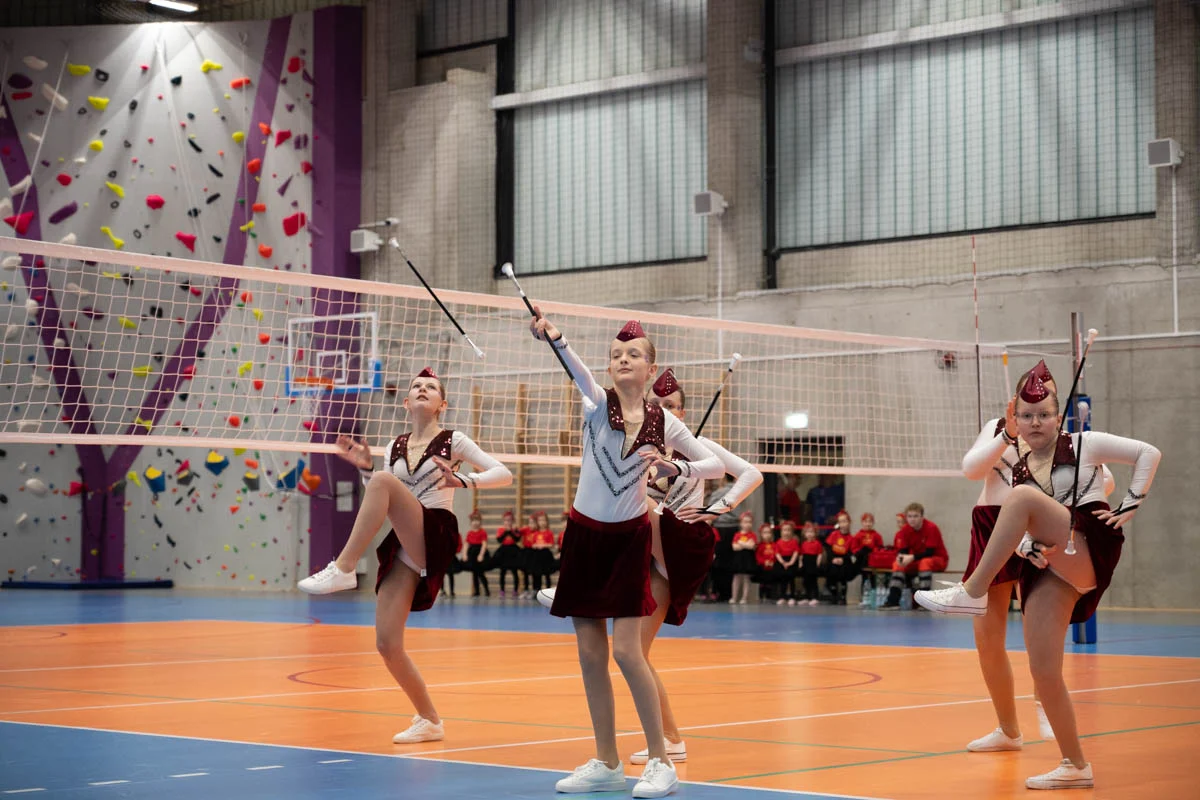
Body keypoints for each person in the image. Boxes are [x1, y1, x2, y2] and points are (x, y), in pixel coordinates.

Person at [916, 363, 1160, 791]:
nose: (1035, 423)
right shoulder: (1022, 465)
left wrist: (1131, 503)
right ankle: (1075, 765)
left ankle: (972, 591)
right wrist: (1027, 546)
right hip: (1055, 563)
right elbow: (1019, 522)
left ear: (1057, 415)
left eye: (1044, 414)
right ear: (1015, 416)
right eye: (1027, 416)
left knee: (1021, 498)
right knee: (1044, 669)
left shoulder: (1083, 443)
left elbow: (1148, 453)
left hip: (1088, 541)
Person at [528, 313, 724, 797]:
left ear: (651, 369)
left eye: (633, 354)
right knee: (590, 654)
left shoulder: (664, 421)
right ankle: (607, 761)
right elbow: (577, 371)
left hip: (629, 541)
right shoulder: (598, 404)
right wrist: (556, 338)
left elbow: (714, 465)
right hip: (583, 537)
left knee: (627, 652)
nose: (622, 360)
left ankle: (661, 761)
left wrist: (675, 467)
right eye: (616, 355)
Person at [297, 367, 512, 743]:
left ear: (442, 404)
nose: (423, 389)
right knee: (387, 644)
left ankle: (344, 567)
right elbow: (382, 498)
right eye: (416, 386)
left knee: (383, 481)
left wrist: (464, 480)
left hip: (437, 530)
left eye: (431, 387)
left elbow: (504, 473)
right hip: (406, 538)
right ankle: (430, 720)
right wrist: (367, 468)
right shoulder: (394, 446)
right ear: (406, 402)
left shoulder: (453, 440)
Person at [626, 367, 761, 766]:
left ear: (682, 413)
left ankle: (581, 579)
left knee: (635, 504)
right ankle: (671, 739)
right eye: (657, 405)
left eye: (672, 406)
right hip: (655, 553)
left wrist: (717, 509)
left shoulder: (700, 445)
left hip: (684, 541)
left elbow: (751, 474)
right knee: (634, 654)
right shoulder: (641, 447)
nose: (664, 410)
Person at [881, 502, 948, 609]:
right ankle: (893, 601)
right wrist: (901, 558)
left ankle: (925, 602)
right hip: (917, 559)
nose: (912, 519)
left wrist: (911, 557)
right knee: (898, 564)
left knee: (925, 562)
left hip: (937, 559)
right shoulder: (905, 530)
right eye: (910, 516)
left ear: (922, 517)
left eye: (916, 516)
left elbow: (930, 552)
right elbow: (903, 550)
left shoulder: (931, 528)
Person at [851, 513, 884, 606]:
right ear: (862, 523)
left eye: (870, 522)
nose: (868, 524)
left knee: (873, 579)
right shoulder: (858, 535)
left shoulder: (876, 535)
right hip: (862, 561)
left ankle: (873, 598)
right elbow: (854, 549)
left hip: (873, 561)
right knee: (865, 579)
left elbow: (880, 548)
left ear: (873, 523)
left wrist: (873, 550)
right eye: (865, 522)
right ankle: (864, 598)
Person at [824, 511, 854, 605]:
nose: (843, 524)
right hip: (834, 558)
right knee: (832, 570)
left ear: (849, 522)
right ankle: (833, 594)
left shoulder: (851, 538)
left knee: (843, 571)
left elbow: (851, 553)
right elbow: (828, 548)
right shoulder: (834, 534)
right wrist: (833, 559)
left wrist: (843, 560)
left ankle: (843, 596)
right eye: (841, 522)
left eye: (845, 521)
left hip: (844, 560)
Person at [729, 512, 759, 605]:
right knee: (736, 577)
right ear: (741, 523)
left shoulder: (752, 535)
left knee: (746, 578)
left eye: (749, 522)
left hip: (748, 559)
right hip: (738, 559)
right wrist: (746, 544)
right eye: (745, 522)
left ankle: (744, 598)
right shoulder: (737, 534)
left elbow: (752, 546)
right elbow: (734, 547)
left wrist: (741, 543)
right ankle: (734, 597)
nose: (747, 524)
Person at [527, 510, 558, 593]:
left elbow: (551, 544)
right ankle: (536, 590)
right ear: (537, 522)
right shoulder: (535, 533)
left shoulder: (549, 533)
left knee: (547, 573)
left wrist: (543, 545)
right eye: (540, 520)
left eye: (544, 520)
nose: (542, 522)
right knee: (537, 573)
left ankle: (548, 590)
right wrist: (536, 546)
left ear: (547, 522)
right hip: (537, 555)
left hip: (545, 555)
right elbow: (533, 544)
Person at [493, 510, 521, 597]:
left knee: (515, 572)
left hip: (513, 551)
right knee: (502, 572)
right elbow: (499, 540)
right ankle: (502, 590)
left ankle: (515, 590)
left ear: (512, 521)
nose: (508, 522)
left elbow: (517, 539)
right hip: (503, 551)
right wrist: (506, 531)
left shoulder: (515, 529)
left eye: (509, 520)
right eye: (506, 520)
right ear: (503, 521)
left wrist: (511, 531)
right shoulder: (501, 529)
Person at [463, 510, 491, 597]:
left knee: (481, 573)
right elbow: (466, 544)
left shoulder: (482, 532)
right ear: (471, 523)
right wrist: (464, 554)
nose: (475, 523)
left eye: (477, 520)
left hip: (479, 553)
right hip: (472, 554)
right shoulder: (469, 533)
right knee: (474, 573)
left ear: (480, 522)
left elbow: (484, 544)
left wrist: (481, 555)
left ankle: (487, 590)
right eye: (473, 521)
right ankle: (477, 591)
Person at [774, 520, 800, 605]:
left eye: (789, 530)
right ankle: (782, 597)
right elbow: (777, 553)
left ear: (792, 532)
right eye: (784, 530)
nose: (786, 532)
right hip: (782, 561)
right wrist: (783, 562)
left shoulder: (794, 542)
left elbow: (796, 552)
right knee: (783, 580)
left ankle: (792, 597)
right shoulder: (778, 542)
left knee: (791, 580)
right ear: (781, 531)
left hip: (791, 561)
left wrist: (791, 562)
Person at [798, 521, 824, 606]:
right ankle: (807, 597)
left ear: (815, 533)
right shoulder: (804, 544)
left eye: (812, 532)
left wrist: (817, 563)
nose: (809, 534)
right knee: (806, 581)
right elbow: (801, 555)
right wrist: (800, 563)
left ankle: (815, 598)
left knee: (813, 581)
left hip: (813, 564)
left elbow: (819, 554)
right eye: (807, 532)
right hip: (805, 564)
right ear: (804, 534)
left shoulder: (817, 543)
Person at [753, 523, 779, 601]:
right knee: (762, 583)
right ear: (761, 534)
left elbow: (776, 554)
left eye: (769, 532)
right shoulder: (760, 545)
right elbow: (758, 556)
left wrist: (772, 561)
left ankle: (770, 596)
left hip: (772, 567)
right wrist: (764, 562)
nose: (767, 535)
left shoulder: (774, 545)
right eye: (765, 533)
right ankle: (761, 596)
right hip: (762, 567)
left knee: (770, 583)